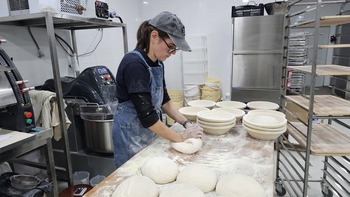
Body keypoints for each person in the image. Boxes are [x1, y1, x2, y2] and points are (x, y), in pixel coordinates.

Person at [112, 11, 204, 168]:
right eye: (171, 47)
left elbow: (165, 101)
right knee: (132, 178)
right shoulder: (134, 64)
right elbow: (147, 116)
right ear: (154, 36)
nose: (173, 53)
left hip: (149, 131)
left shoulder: (157, 63)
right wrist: (181, 137)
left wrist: (186, 123)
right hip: (130, 135)